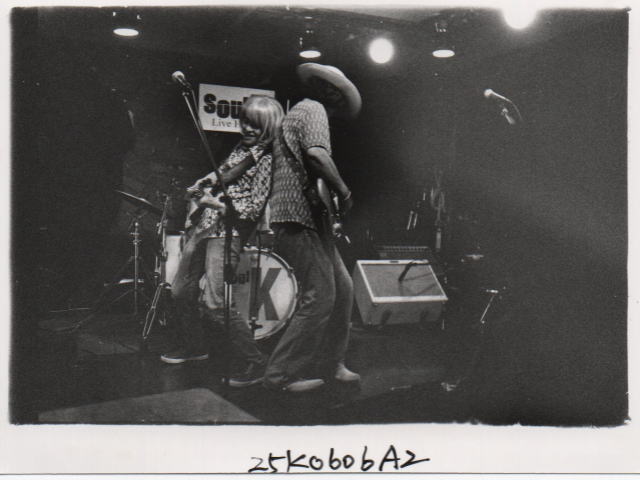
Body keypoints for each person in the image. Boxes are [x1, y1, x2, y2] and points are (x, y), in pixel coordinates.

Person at [161, 95, 284, 388]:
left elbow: (253, 210)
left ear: (269, 127)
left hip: (228, 233)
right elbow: (221, 178)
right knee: (180, 291)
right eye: (245, 122)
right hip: (205, 227)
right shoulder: (241, 150)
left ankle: (256, 362)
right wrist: (202, 187)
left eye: (256, 125)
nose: (248, 129)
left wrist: (213, 203)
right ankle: (195, 346)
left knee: (215, 303)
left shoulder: (267, 159)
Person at [263, 63, 361, 393]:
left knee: (343, 290)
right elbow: (317, 155)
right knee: (321, 295)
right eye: (337, 93)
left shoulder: (300, 111)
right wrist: (345, 192)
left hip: (307, 219)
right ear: (330, 92)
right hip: (298, 216)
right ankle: (281, 375)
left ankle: (331, 363)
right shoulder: (314, 109)